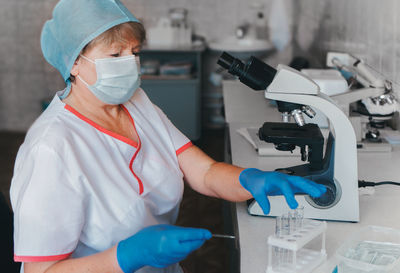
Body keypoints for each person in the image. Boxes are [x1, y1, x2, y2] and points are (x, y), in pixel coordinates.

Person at [10, 1, 326, 273]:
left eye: (134, 52)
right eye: (115, 53)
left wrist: (250, 179)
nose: (129, 63)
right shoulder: (50, 149)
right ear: (75, 62)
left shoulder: (136, 103)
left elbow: (203, 172)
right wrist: (125, 257)